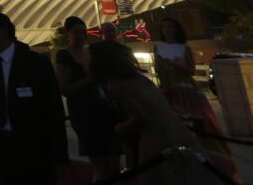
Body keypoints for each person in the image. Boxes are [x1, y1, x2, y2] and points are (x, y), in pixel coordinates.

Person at [90, 41, 210, 185]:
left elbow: (141, 118)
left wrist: (115, 130)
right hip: (174, 128)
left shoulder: (115, 85)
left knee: (157, 177)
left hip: (153, 137)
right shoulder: (139, 77)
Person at [0, 11, 67, 185]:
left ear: (3, 31)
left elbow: (53, 109)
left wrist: (60, 154)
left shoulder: (35, 63)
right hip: (1, 145)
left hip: (33, 146)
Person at [153, 18, 239, 180]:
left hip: (186, 91)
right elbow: (158, 69)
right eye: (164, 27)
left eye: (170, 27)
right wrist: (162, 68)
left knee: (200, 125)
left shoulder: (184, 48)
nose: (166, 30)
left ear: (176, 29)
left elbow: (191, 70)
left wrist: (173, 65)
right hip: (167, 90)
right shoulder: (158, 46)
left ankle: (207, 160)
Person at [55, 16, 120, 181]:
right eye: (76, 33)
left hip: (105, 110)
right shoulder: (63, 56)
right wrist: (89, 79)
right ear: (67, 33)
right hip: (84, 112)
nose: (81, 36)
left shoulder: (92, 50)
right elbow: (64, 89)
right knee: (100, 164)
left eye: (84, 32)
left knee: (114, 162)